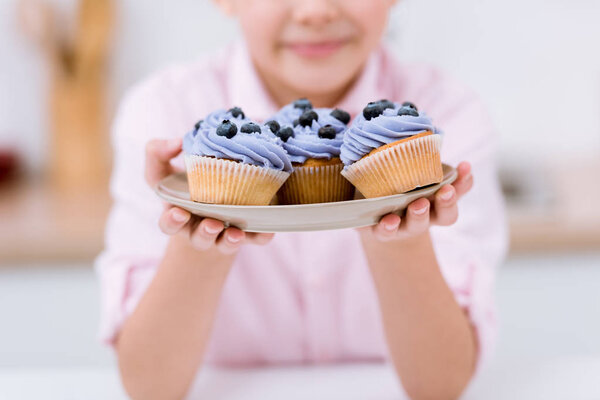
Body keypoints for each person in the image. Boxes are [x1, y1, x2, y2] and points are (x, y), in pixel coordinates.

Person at [95, 1, 507, 399]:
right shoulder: (165, 110)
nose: (315, 11)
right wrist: (199, 233)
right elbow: (149, 388)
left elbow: (440, 386)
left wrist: (400, 232)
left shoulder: (446, 116)